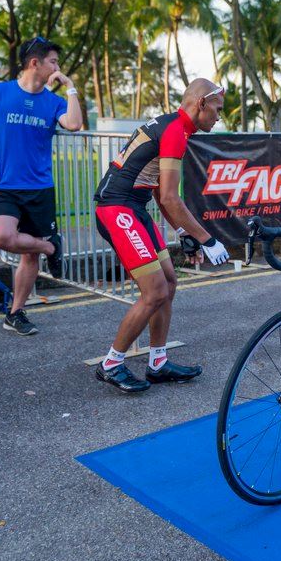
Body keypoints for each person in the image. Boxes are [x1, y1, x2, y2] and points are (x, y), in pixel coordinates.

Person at [92, 79, 230, 394]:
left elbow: (157, 190)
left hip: (134, 207)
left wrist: (183, 232)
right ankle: (111, 364)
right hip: (117, 208)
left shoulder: (175, 127)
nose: (219, 117)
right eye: (218, 110)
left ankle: (157, 362)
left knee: (168, 283)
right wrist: (209, 240)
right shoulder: (175, 131)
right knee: (154, 292)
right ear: (201, 104)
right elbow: (170, 198)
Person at [0, 36, 83, 336]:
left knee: (29, 257)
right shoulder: (0, 92)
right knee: (1, 236)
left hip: (40, 187)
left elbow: (74, 124)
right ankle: (51, 246)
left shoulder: (53, 102)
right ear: (35, 63)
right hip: (6, 184)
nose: (57, 67)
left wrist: (70, 86)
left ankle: (16, 313)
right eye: (53, 62)